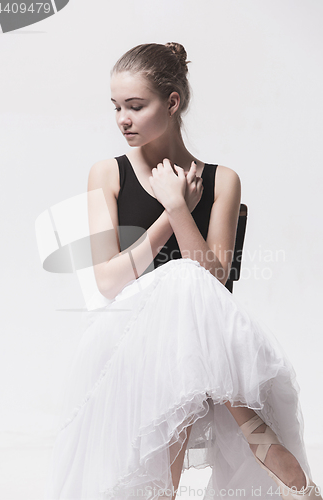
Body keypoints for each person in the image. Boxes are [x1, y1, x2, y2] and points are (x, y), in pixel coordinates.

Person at [44, 43, 322, 500]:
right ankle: (281, 465)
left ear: (172, 102)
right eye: (116, 107)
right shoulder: (107, 174)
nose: (122, 120)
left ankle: (199, 486)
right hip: (131, 341)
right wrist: (169, 214)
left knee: (187, 285)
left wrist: (179, 205)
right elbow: (109, 281)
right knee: (177, 286)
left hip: (208, 340)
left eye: (135, 106)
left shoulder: (222, 180)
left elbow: (214, 280)